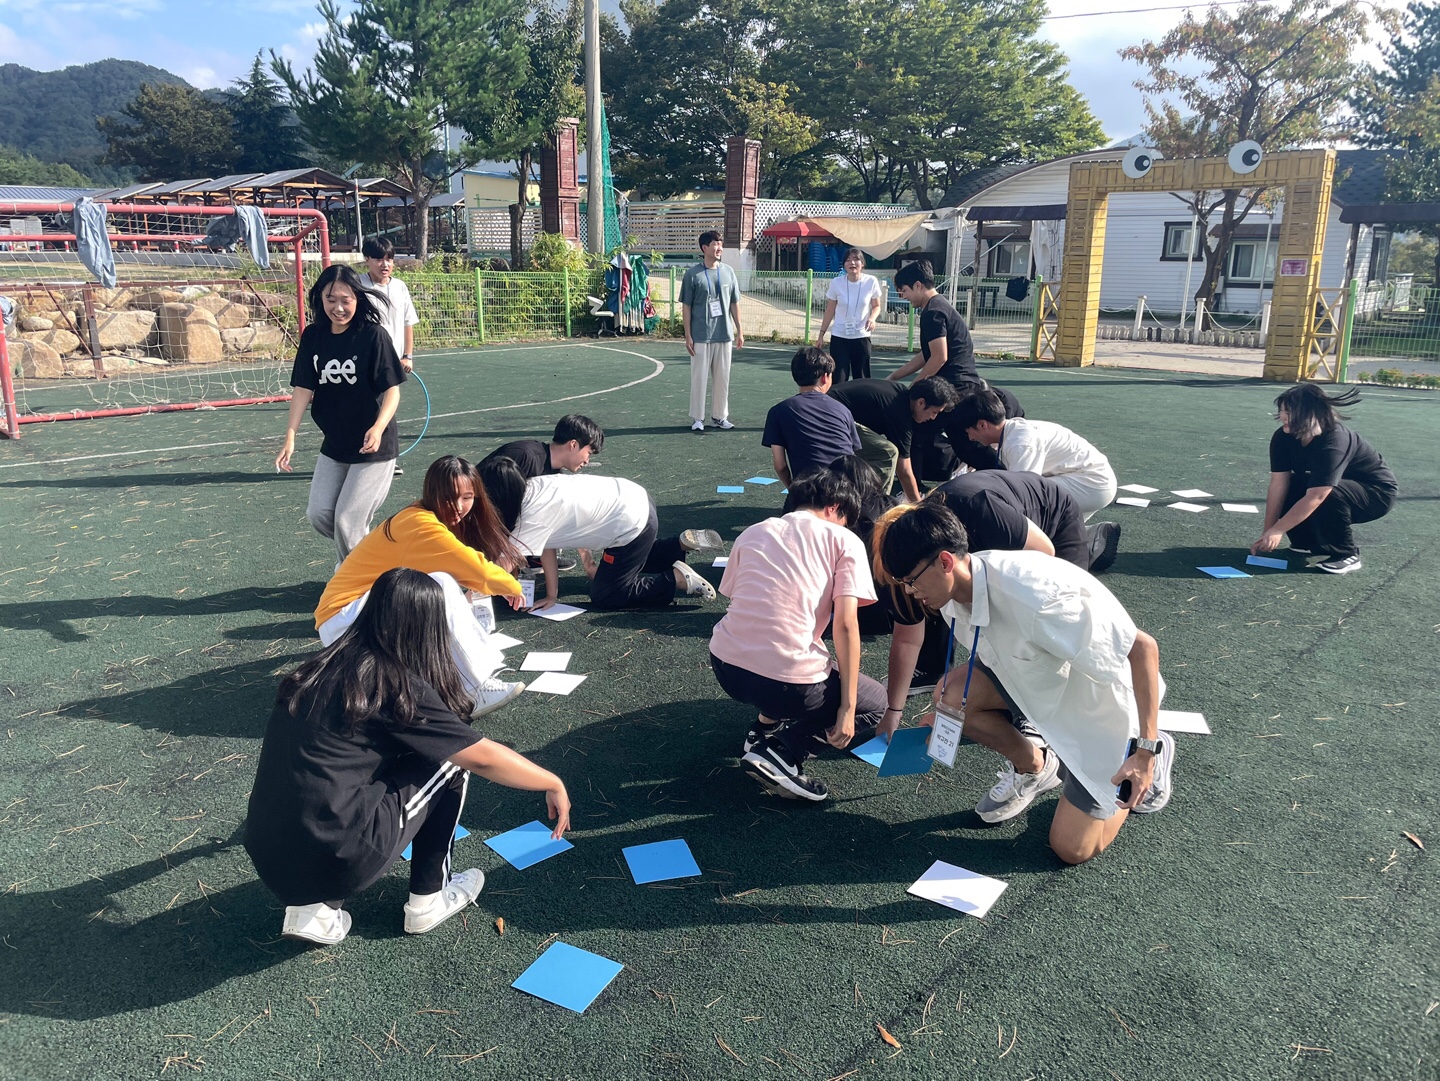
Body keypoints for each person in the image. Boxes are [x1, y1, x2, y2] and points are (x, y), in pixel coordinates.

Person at [245, 568, 571, 946]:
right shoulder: (393, 682)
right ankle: (429, 899)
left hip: (268, 853)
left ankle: (314, 909)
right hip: (337, 855)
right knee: (450, 761)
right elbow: (481, 757)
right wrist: (552, 781)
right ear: (428, 627)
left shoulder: (316, 667)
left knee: (351, 775)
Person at [874, 502, 1174, 864]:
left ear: (945, 562)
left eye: (911, 580)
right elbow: (995, 648)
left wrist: (1145, 750)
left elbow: (1142, 649)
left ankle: (1150, 755)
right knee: (951, 697)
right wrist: (945, 714)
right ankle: (1036, 769)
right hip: (1043, 686)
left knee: (1071, 849)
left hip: (1102, 711)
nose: (909, 591)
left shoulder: (1037, 599)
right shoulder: (957, 588)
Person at [709, 469, 888, 802]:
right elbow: (846, 624)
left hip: (725, 665)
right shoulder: (844, 540)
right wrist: (848, 708)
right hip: (787, 682)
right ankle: (784, 751)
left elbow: (739, 598)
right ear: (835, 508)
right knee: (875, 701)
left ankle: (763, 728)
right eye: (846, 520)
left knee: (784, 652)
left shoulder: (753, 532)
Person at [315, 455, 528, 716]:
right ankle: (476, 688)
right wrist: (512, 587)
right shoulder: (421, 525)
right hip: (343, 622)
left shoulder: (419, 516)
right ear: (432, 493)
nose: (459, 506)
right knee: (441, 584)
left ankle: (451, 683)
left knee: (431, 587)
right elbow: (477, 569)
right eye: (449, 497)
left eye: (467, 497)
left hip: (355, 618)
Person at [276, 263, 405, 563]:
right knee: (320, 514)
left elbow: (392, 391)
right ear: (320, 299)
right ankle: (373, 559)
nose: (338, 307)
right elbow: (303, 389)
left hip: (373, 447)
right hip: (335, 443)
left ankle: (355, 577)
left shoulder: (373, 336)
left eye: (346, 300)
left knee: (347, 521)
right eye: (330, 299)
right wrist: (290, 437)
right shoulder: (313, 336)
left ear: (357, 298)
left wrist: (378, 427)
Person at [480, 458, 721, 610]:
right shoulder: (535, 486)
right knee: (628, 559)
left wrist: (466, 596)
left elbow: (497, 570)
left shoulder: (531, 515)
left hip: (631, 523)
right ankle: (677, 546)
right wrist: (552, 595)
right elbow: (548, 545)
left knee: (607, 594)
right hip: (633, 497)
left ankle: (676, 579)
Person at [1251, 384, 1396, 575]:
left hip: (1376, 494)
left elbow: (1318, 496)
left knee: (1328, 491)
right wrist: (1267, 531)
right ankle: (1306, 542)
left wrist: (1278, 530)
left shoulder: (1335, 440)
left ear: (1311, 413)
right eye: (1282, 410)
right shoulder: (1282, 437)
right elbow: (1278, 484)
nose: (1282, 416)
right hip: (1333, 489)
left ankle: (1346, 554)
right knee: (1294, 483)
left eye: (1289, 411)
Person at [953, 389, 1117, 519]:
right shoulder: (1014, 431)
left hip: (1091, 483)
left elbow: (1024, 495)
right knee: (1057, 531)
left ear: (982, 425)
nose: (970, 438)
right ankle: (1091, 537)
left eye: (968, 431)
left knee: (1027, 504)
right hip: (1085, 479)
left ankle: (1093, 537)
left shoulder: (1020, 443)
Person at [827, 376, 959, 501]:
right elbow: (904, 471)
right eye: (934, 412)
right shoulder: (900, 412)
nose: (933, 418)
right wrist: (918, 506)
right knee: (888, 453)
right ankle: (875, 504)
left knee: (875, 449)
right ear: (921, 402)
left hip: (828, 409)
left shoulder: (899, 396)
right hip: (830, 416)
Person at [761, 347, 861, 487]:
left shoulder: (778, 411)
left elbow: (780, 465)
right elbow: (853, 455)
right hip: (846, 489)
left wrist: (792, 488)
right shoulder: (842, 410)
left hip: (808, 490)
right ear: (825, 377)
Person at [680, 230, 743, 432]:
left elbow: (734, 303)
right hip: (700, 335)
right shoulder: (692, 275)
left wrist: (739, 330)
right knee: (699, 378)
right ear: (704, 248)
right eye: (715, 244)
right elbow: (686, 306)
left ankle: (719, 417)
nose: (719, 247)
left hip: (724, 334)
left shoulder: (729, 272)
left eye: (721, 244)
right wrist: (688, 335)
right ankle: (698, 418)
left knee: (723, 378)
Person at [814, 247, 885, 382]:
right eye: (848, 260)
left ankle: (862, 397)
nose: (852, 263)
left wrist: (872, 318)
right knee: (839, 378)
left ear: (862, 263)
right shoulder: (836, 283)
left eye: (856, 259)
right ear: (844, 265)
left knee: (862, 378)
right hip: (840, 336)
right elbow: (830, 310)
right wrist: (821, 334)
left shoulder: (871, 281)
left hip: (862, 336)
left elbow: (876, 306)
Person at [479, 414, 605, 480]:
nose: (587, 461)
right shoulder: (524, 455)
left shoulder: (554, 476)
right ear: (573, 445)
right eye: (589, 453)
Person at [358, 236, 419, 373]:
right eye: (379, 259)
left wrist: (407, 356)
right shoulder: (357, 284)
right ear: (367, 259)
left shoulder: (400, 286)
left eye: (389, 259)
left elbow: (408, 322)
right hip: (365, 360)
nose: (385, 265)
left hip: (394, 360)